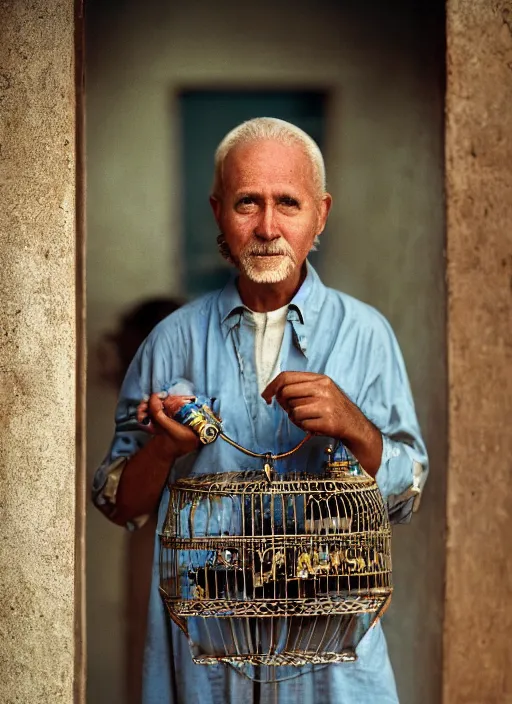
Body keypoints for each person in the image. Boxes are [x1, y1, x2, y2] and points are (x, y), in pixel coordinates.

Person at [92, 117, 428, 703]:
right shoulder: (171, 341)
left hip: (331, 661)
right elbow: (118, 504)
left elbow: (406, 495)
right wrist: (167, 447)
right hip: (205, 658)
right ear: (219, 211)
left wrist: (354, 425)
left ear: (320, 214)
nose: (268, 227)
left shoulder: (368, 335)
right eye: (248, 202)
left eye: (288, 203)